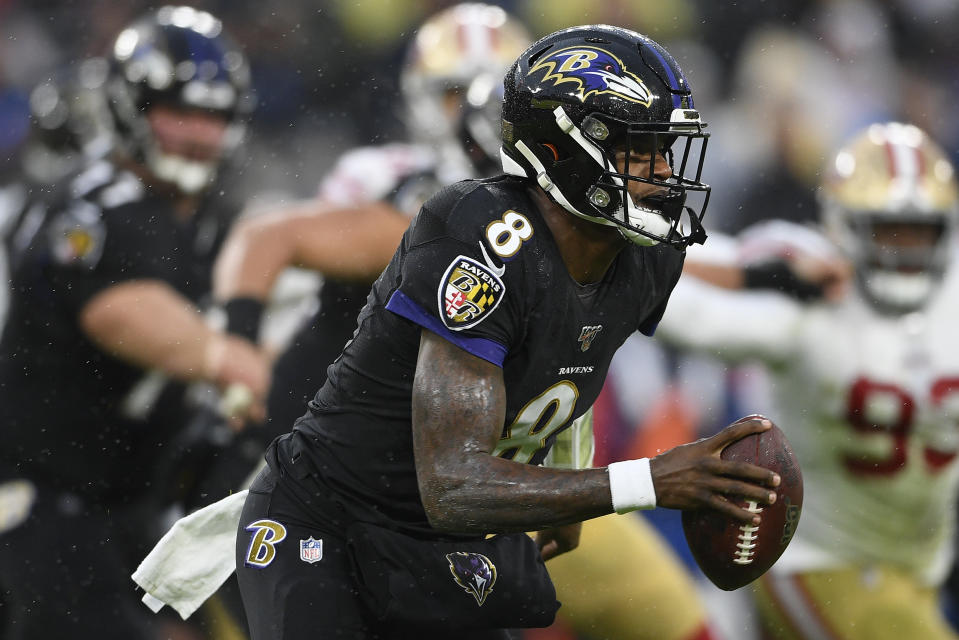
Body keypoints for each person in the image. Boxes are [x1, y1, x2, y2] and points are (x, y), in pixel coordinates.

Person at [232, 24, 781, 639]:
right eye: (638, 150)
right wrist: (644, 482)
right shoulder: (481, 236)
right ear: (564, 151)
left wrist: (572, 482)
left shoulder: (647, 259)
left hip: (440, 543)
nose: (660, 173)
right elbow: (454, 482)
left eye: (664, 150)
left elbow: (576, 355)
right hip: (331, 520)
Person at [0, 6, 270, 638]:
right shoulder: (95, 204)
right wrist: (222, 357)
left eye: (211, 116)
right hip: (41, 498)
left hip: (133, 505)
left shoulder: (201, 212)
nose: (197, 135)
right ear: (129, 108)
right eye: (178, 114)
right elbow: (120, 309)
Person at [656, 121, 959, 639]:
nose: (904, 248)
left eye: (919, 231)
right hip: (815, 557)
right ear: (843, 227)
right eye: (887, 229)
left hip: (920, 564)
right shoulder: (805, 297)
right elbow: (678, 308)